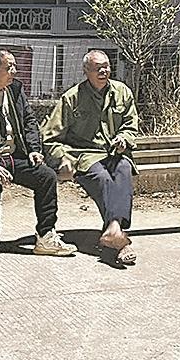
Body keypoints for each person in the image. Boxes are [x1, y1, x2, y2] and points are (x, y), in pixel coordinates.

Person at [0, 49, 75, 271]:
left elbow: (29, 121)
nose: (14, 71)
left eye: (14, 66)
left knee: (46, 176)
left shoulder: (15, 90)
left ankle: (45, 237)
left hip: (12, 158)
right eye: (9, 67)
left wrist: (34, 150)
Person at [41, 49, 140, 266]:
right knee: (103, 178)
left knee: (123, 169)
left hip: (115, 152)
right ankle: (118, 236)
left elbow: (131, 125)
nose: (104, 71)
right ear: (86, 71)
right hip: (85, 155)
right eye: (97, 68)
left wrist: (124, 138)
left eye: (106, 66)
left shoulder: (122, 92)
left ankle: (113, 230)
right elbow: (50, 138)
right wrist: (64, 159)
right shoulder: (72, 98)